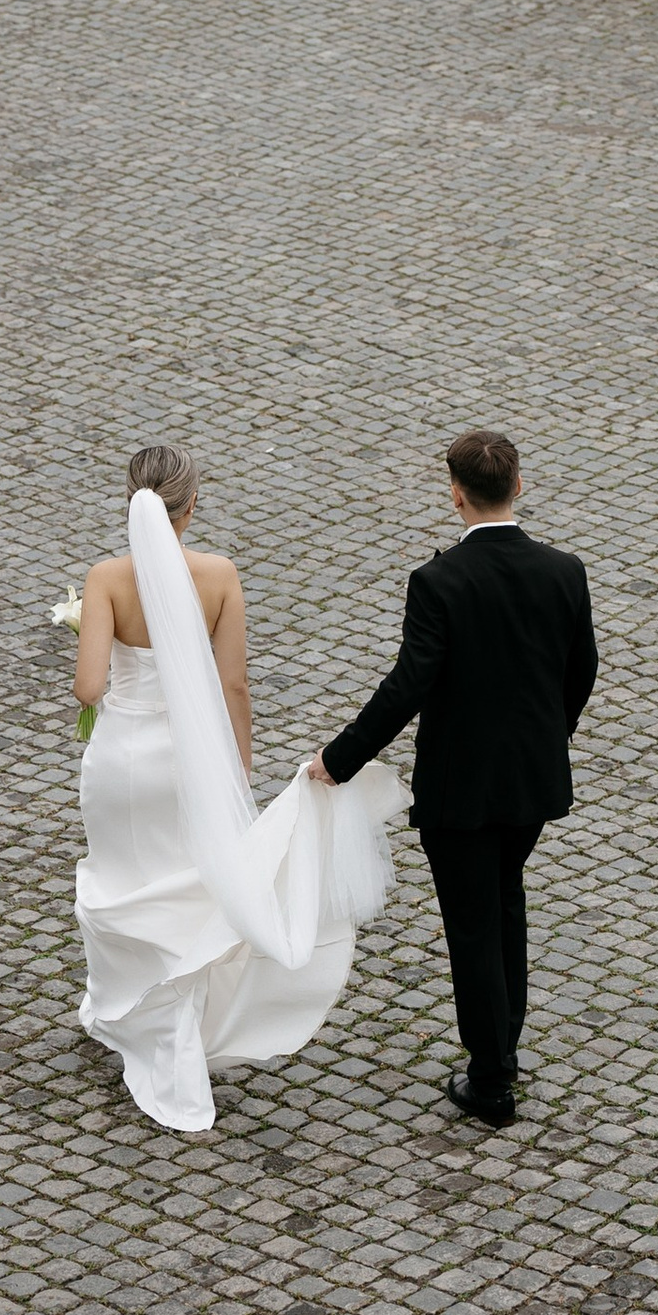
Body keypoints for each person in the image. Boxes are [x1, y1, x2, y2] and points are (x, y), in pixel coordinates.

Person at [72, 442, 404, 1134]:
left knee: (121, 882)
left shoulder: (104, 578)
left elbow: (89, 689)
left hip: (118, 761)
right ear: (194, 504)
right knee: (190, 890)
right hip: (186, 765)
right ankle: (172, 1026)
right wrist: (238, 766)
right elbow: (233, 685)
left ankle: (120, 1011)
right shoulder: (219, 575)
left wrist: (86, 630)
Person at [308, 427, 597, 1128]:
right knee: (503, 907)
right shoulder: (564, 570)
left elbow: (409, 684)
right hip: (531, 782)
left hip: (460, 788)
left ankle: (493, 1079)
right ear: (519, 485)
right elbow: (580, 670)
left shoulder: (438, 581)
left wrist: (338, 759)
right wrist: (547, 739)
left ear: (456, 495)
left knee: (474, 925)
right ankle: (504, 1044)